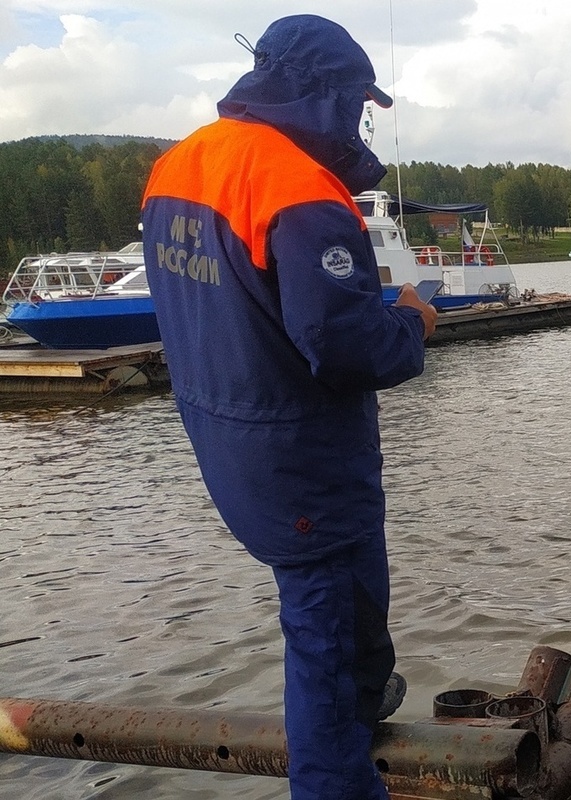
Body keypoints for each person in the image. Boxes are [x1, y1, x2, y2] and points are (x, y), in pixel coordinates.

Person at [140, 15, 437, 800]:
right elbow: (347, 348)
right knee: (325, 653)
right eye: (356, 102)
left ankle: (368, 699)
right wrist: (411, 320)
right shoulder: (298, 188)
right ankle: (337, 774)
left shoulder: (178, 168)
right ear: (325, 92)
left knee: (351, 616)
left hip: (231, 444)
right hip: (305, 465)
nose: (359, 119)